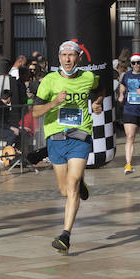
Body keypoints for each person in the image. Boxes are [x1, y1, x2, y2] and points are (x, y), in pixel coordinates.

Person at [31, 40, 100, 254]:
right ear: (59, 58)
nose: (68, 59)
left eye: (71, 55)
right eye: (64, 55)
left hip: (80, 135)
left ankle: (65, 235)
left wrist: (97, 102)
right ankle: (81, 185)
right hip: (56, 139)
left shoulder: (88, 77)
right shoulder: (49, 81)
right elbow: (35, 112)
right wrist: (54, 103)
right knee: (64, 189)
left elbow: (101, 85)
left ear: (79, 57)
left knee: (72, 185)